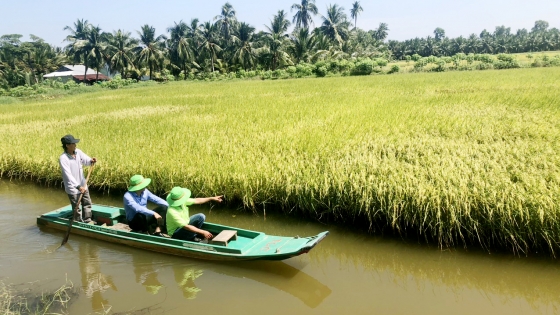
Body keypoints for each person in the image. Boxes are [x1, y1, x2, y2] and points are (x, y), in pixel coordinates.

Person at [59, 134, 97, 223]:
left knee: (87, 203)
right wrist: (78, 186)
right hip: (73, 187)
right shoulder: (63, 158)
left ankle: (87, 220)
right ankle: (78, 221)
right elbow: (68, 175)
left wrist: (91, 161)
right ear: (67, 145)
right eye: (73, 143)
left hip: (83, 184)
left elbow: (86, 160)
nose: (75, 145)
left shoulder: (78, 152)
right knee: (76, 207)